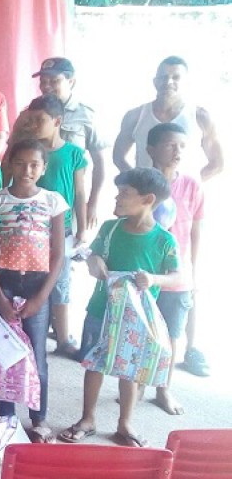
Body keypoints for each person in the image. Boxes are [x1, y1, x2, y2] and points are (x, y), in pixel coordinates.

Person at [59, 168, 179, 449]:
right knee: (94, 362)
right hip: (102, 309)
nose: (117, 197)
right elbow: (94, 255)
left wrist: (154, 279)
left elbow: (178, 276)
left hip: (137, 319)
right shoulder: (110, 228)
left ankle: (125, 422)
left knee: (130, 369)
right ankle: (87, 418)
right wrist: (95, 262)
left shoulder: (164, 240)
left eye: (124, 193)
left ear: (148, 199)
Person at [0, 139, 67, 443]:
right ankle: (6, 417)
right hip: (4, 281)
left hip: (37, 283)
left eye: (34, 164)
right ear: (9, 164)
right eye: (20, 163)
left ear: (44, 168)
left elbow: (58, 254)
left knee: (37, 355)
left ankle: (38, 417)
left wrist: (41, 296)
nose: (27, 170)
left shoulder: (52, 201)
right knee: (4, 352)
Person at [20, 95, 89, 357]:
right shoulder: (29, 152)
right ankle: (25, 332)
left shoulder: (74, 154)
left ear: (57, 121)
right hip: (30, 227)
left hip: (62, 228)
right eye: (31, 120)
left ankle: (63, 338)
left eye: (40, 120)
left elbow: (80, 193)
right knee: (29, 280)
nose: (34, 125)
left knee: (60, 282)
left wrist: (83, 227)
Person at [146, 123, 203, 412]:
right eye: (170, 145)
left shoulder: (192, 186)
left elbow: (196, 231)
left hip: (176, 277)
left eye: (181, 146)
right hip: (144, 273)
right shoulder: (142, 183)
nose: (177, 151)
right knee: (142, 333)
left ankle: (163, 389)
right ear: (151, 150)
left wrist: (194, 270)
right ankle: (135, 386)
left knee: (171, 335)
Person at [113, 56, 223, 182]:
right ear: (155, 82)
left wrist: (189, 185)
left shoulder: (200, 117)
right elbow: (118, 157)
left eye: (176, 77)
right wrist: (137, 183)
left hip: (185, 194)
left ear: (186, 82)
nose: (168, 82)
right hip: (146, 193)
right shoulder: (135, 116)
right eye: (163, 77)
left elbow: (217, 163)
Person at [32, 57, 108, 237]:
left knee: (68, 243)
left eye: (54, 81)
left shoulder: (86, 115)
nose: (46, 86)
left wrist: (92, 203)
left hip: (70, 197)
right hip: (34, 200)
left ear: (71, 82)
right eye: (43, 81)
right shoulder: (32, 112)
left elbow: (99, 164)